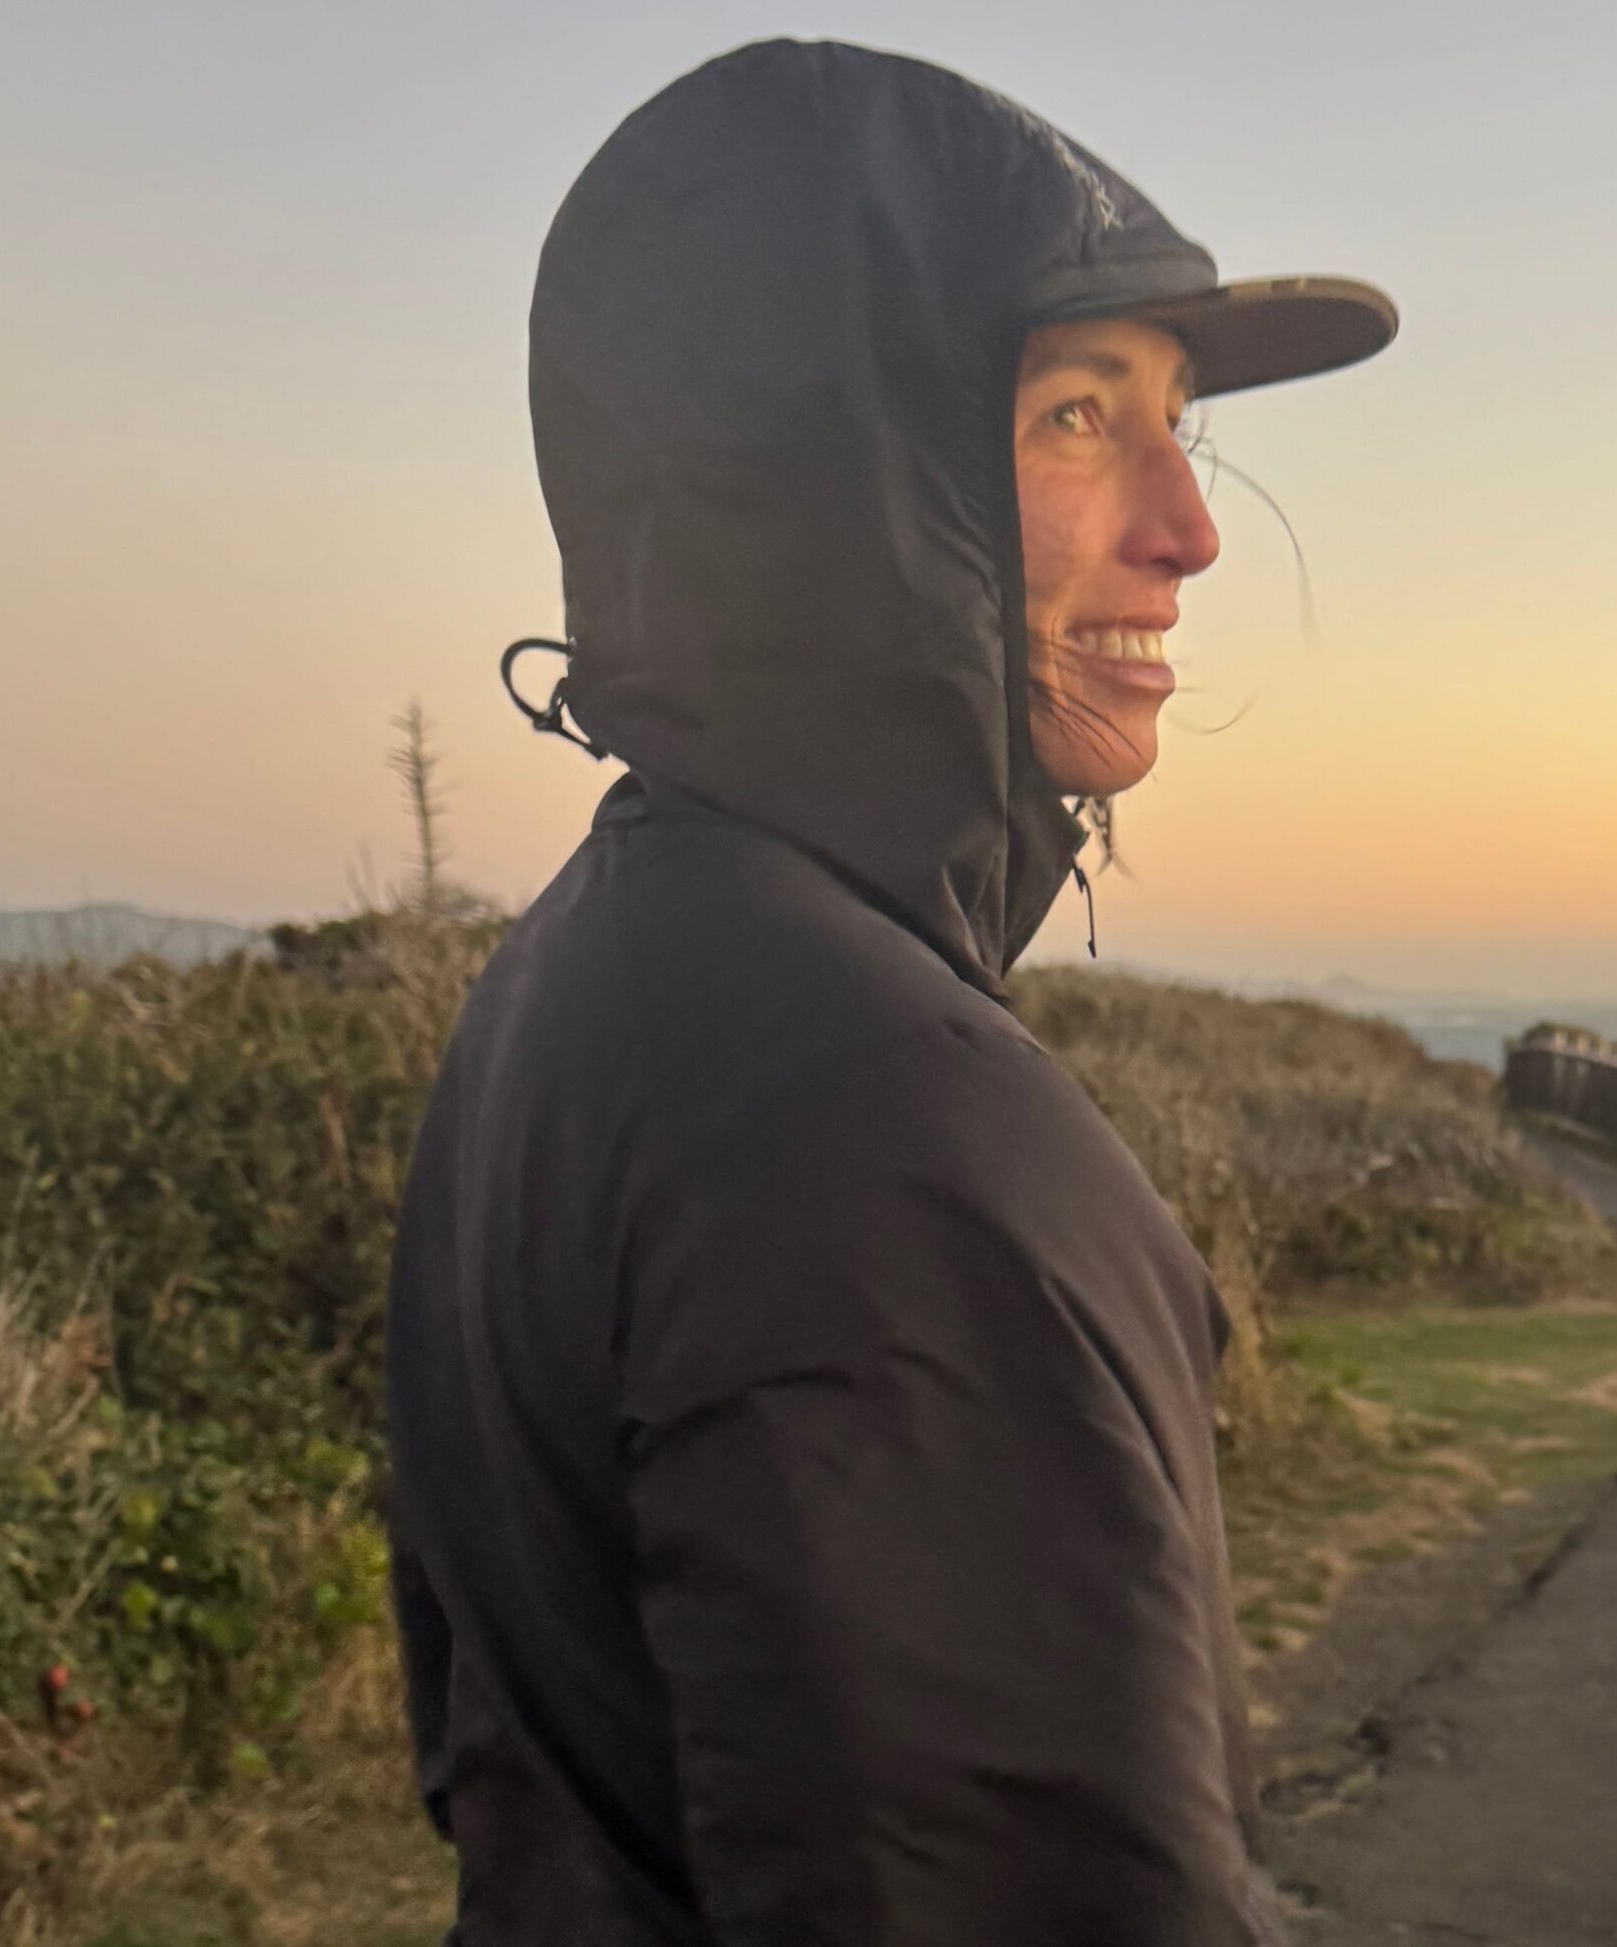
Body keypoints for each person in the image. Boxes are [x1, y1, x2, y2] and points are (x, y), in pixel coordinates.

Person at [386, 38, 1395, 1945]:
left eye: (1185, 426)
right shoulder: (881, 1123)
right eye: (1083, 418)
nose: (1186, 530)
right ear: (824, 469)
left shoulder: (594, 974)